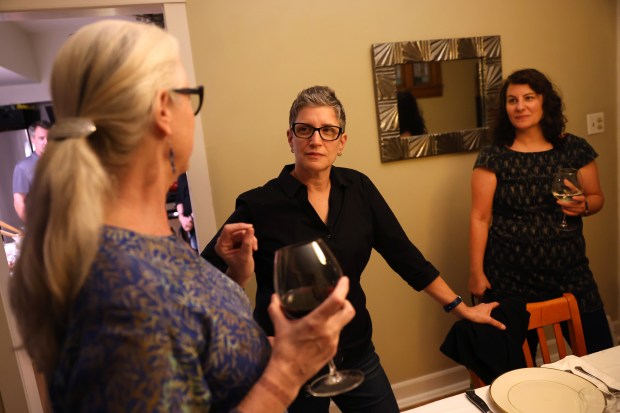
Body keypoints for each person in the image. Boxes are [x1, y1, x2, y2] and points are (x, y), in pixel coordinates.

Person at [9, 20, 355, 413]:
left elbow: (194, 351)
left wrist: (230, 282)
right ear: (163, 111)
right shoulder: (123, 294)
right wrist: (288, 373)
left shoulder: (143, 241)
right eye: (190, 95)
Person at [202, 85, 506, 413]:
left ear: (341, 142)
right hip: (289, 362)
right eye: (305, 129)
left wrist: (462, 308)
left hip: (354, 352)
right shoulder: (259, 205)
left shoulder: (359, 188)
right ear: (290, 138)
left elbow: (405, 257)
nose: (315, 140)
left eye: (328, 131)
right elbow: (204, 277)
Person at [468, 68, 613, 355]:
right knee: (512, 367)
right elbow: (479, 217)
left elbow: (597, 198)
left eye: (528, 97)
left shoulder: (574, 148)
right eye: (512, 100)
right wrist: (476, 273)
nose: (520, 106)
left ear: (544, 101)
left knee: (601, 356)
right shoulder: (494, 156)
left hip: (570, 271)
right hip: (509, 276)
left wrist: (583, 205)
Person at [12, 120, 51, 222]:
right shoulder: (23, 167)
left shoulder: (61, 162)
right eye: (41, 138)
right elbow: (18, 201)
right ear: (33, 139)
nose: (46, 142)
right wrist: (32, 227)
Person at [175, 172, 197, 251]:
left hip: (199, 223)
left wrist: (191, 218)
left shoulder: (197, 173)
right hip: (190, 227)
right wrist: (181, 217)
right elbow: (179, 199)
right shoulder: (182, 176)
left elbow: (202, 199)